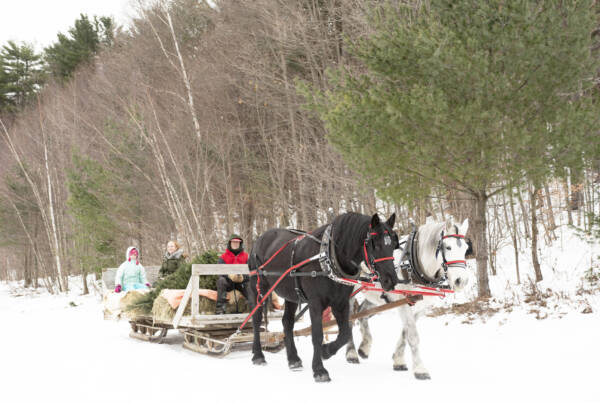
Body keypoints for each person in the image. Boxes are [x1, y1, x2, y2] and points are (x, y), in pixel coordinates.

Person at [215, 234, 249, 314]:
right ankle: (220, 308)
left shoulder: (246, 257)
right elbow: (220, 272)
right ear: (230, 243)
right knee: (221, 281)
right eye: (233, 242)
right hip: (229, 282)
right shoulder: (223, 257)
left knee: (250, 285)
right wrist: (229, 275)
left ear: (240, 244)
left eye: (237, 242)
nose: (235, 244)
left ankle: (252, 307)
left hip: (242, 282)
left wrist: (243, 277)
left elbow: (251, 271)